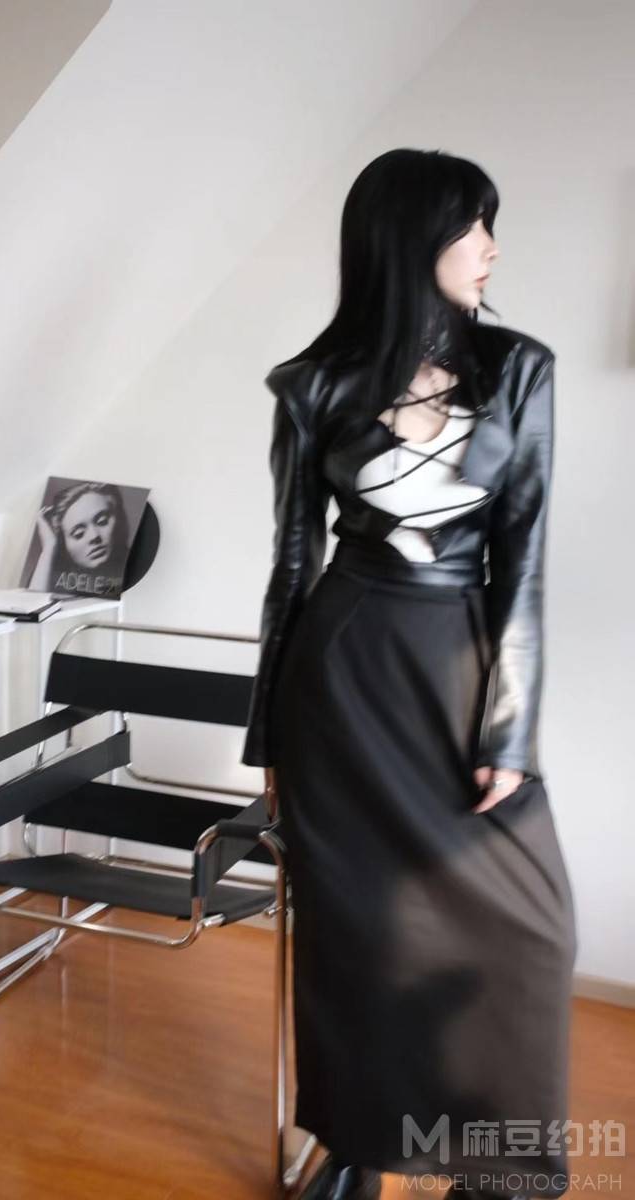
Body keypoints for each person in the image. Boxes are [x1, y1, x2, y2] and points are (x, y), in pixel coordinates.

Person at [241, 149, 577, 1200]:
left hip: (460, 667)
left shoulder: (519, 369)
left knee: (530, 930)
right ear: (408, 238)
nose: (491, 249)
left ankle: (496, 1164)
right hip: (343, 671)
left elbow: (523, 558)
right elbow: (291, 567)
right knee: (358, 935)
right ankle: (358, 1149)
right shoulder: (310, 385)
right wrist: (268, 744)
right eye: (473, 226)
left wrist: (509, 733)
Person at [26, 481, 130, 597]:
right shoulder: (49, 573)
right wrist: (49, 546)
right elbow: (32, 603)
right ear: (64, 543)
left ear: (121, 520)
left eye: (102, 522)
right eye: (78, 533)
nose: (94, 536)